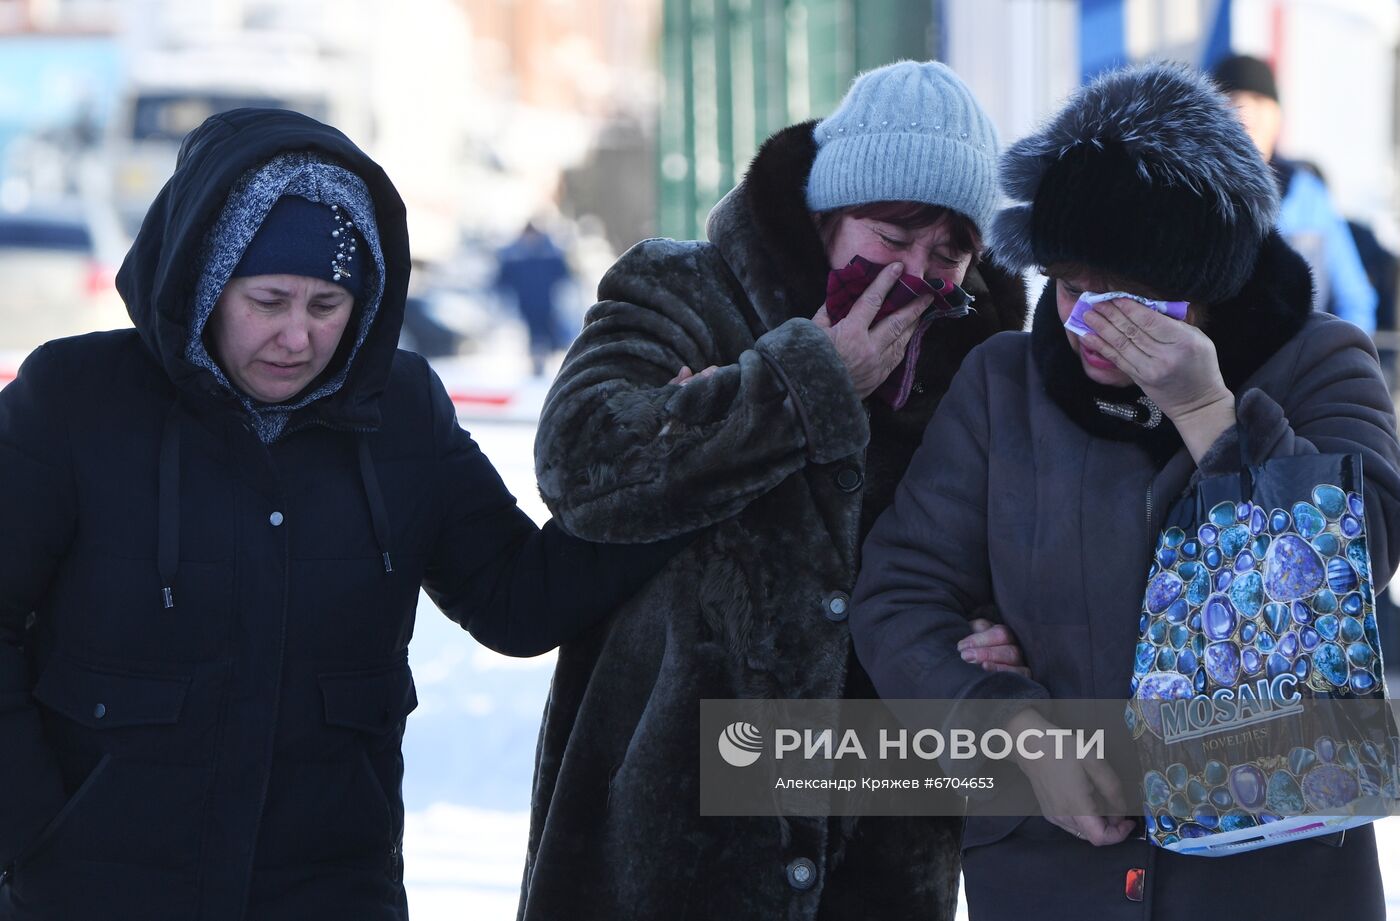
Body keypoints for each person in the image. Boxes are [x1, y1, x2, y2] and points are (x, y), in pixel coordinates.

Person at [0, 108, 681, 920]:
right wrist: (34, 833)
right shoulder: (73, 402)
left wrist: (677, 465)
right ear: (206, 283)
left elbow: (518, 595)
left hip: (328, 888)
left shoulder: (400, 412)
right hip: (95, 891)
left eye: (328, 304)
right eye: (269, 299)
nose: (297, 335)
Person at [850, 63, 1400, 919]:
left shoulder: (1320, 359)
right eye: (1072, 287)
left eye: (1135, 299)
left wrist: (1210, 416)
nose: (1092, 325)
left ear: (1210, 282)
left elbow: (1352, 567)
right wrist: (1015, 729)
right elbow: (900, 589)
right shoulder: (1006, 382)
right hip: (1053, 868)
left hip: (1275, 871)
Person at [518, 61, 1030, 921]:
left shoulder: (975, 375)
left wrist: (1002, 630)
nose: (914, 269)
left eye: (947, 251)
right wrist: (803, 385)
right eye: (892, 234)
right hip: (665, 838)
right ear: (828, 216)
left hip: (878, 840)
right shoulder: (686, 290)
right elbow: (582, 461)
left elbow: (1020, 553)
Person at [1211, 53, 1378, 334]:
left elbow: (1355, 298)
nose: (1248, 114)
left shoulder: (1309, 194)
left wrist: (1343, 360)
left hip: (1303, 365)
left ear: (1278, 116)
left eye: (1260, 101)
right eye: (1235, 99)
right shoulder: (1193, 191)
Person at [494, 222, 573, 376]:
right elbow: (502, 280)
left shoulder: (549, 255)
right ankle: (536, 362)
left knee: (546, 333)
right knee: (534, 334)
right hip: (526, 305)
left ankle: (543, 361)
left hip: (547, 304)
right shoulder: (515, 257)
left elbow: (564, 274)